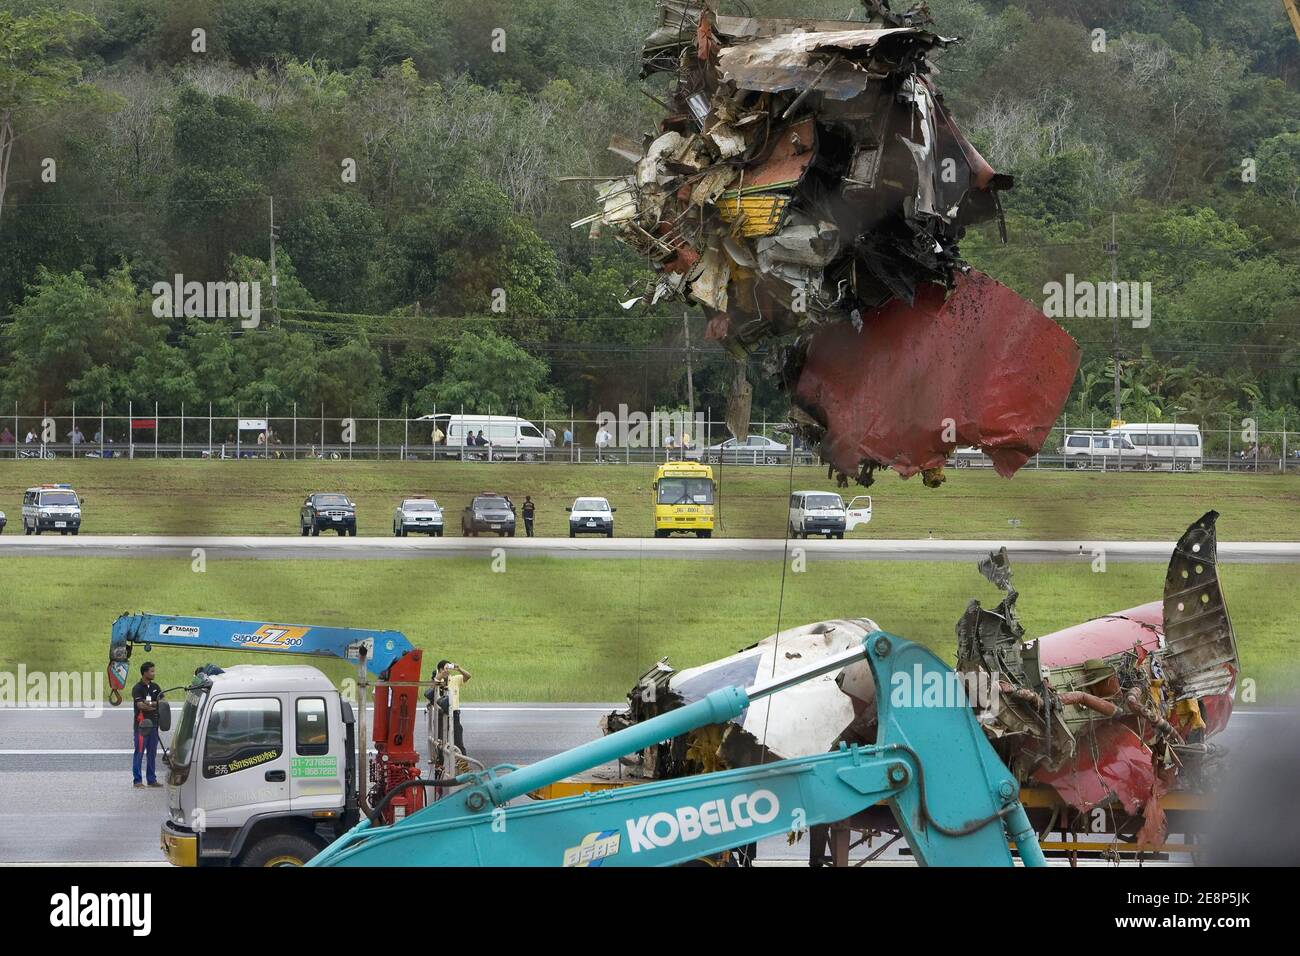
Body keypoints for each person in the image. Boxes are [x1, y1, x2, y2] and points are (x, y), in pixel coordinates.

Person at [424, 660, 472, 755]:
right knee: (441, 741)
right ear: (440, 669)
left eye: (448, 668)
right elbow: (431, 689)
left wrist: (459, 669)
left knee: (458, 741)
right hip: (441, 714)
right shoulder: (437, 680)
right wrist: (440, 675)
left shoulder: (454, 679)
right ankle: (441, 764)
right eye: (445, 668)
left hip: (454, 713)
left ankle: (462, 765)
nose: (447, 671)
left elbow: (468, 676)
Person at [132, 661, 165, 789]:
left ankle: (151, 779)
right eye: (151, 671)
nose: (154, 673)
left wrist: (150, 704)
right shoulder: (137, 688)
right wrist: (153, 704)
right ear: (145, 673)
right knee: (139, 752)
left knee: (152, 753)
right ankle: (137, 781)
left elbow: (162, 701)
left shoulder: (156, 686)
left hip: (154, 726)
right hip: (142, 727)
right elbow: (140, 705)